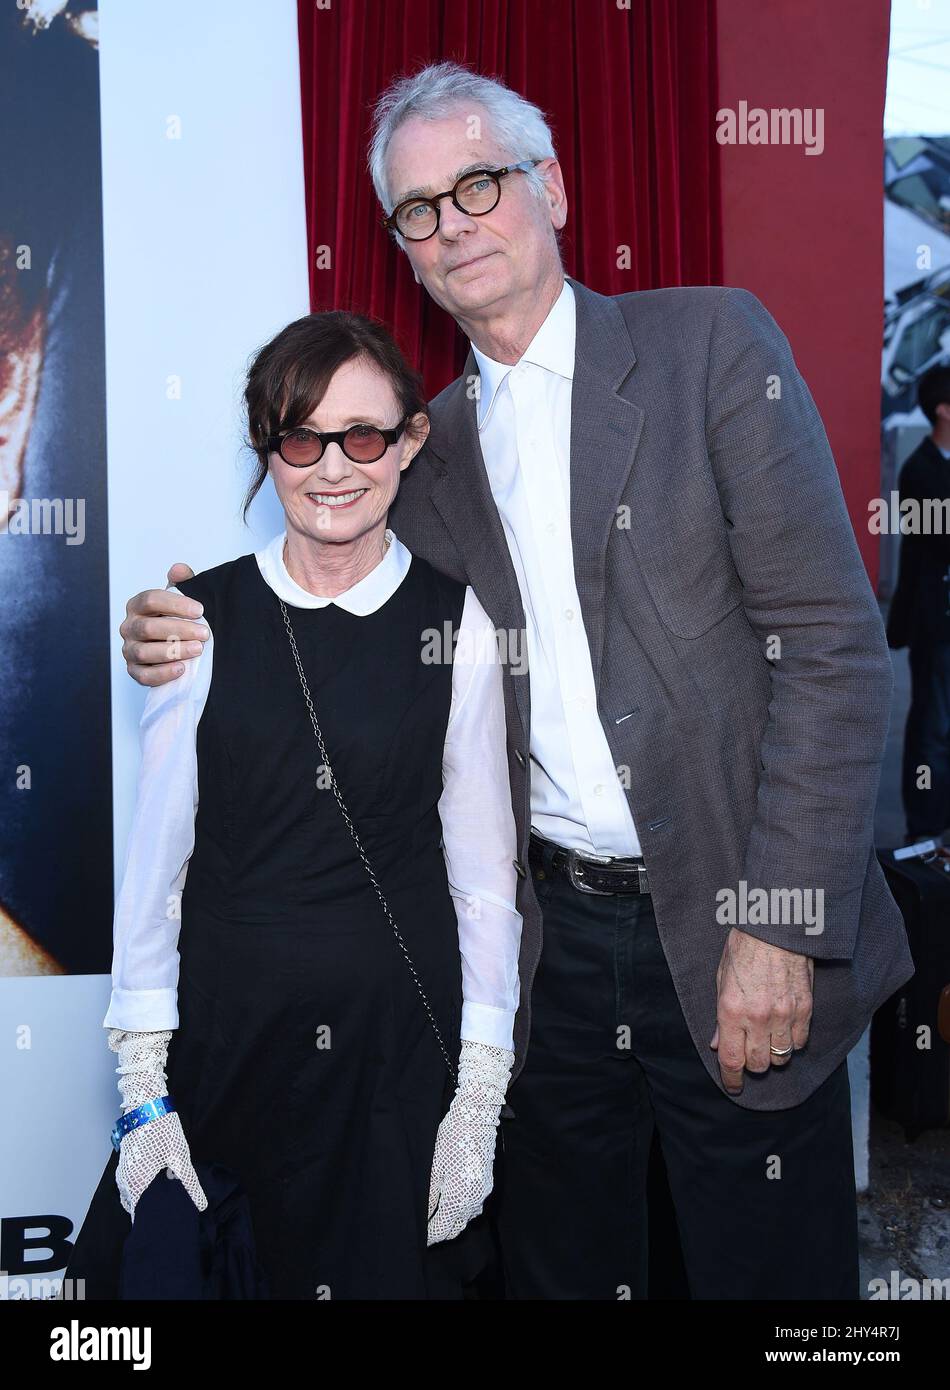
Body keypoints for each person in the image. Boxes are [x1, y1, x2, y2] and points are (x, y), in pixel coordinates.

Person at [120, 62, 914, 1300]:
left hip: (733, 915)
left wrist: (778, 923)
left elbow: (828, 645)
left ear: (550, 187)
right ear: (403, 247)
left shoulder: (708, 345)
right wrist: (175, 623)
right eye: (417, 208)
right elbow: (322, 598)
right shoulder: (415, 455)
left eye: (478, 184)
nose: (452, 224)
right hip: (546, 961)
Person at [67, 310, 523, 1300]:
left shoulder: (459, 625)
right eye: (302, 438)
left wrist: (479, 1095)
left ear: (408, 441)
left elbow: (483, 877)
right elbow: (157, 867)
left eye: (363, 435)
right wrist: (143, 1089)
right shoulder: (197, 623)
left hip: (395, 1060)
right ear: (267, 447)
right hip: (228, 1049)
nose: (333, 468)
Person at [886, 362, 950, 844]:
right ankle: (925, 835)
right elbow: (938, 540)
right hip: (936, 623)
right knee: (934, 728)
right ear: (944, 410)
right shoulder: (920, 471)